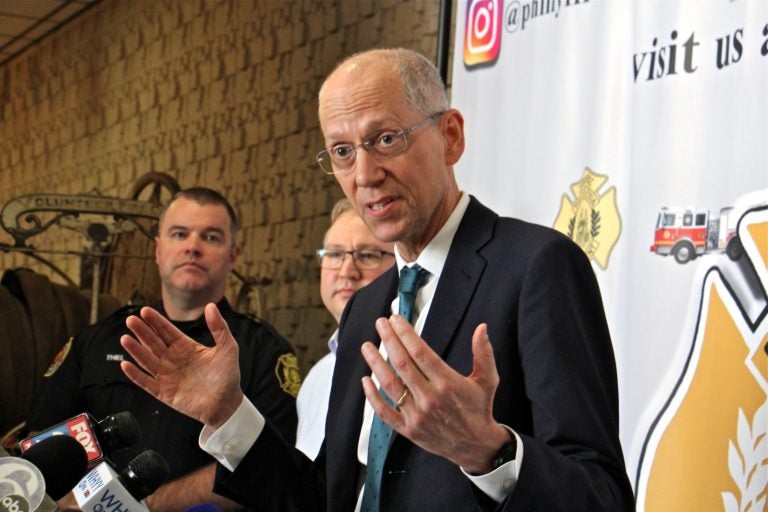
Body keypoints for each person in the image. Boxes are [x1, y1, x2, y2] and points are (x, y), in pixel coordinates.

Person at [119, 48, 635, 511]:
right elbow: (321, 497)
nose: (364, 174)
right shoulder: (367, 306)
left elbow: (602, 495)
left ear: (450, 135)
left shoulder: (537, 266)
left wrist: (489, 450)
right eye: (342, 151)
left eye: (385, 139)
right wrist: (230, 413)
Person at [26, 187, 300, 511]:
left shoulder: (263, 352)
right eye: (179, 233)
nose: (192, 247)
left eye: (210, 237)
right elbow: (39, 442)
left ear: (233, 254)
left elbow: (276, 467)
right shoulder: (97, 340)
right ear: (158, 249)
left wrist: (141, 504)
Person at [295, 198, 395, 459]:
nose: (347, 271)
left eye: (368, 256)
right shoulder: (316, 377)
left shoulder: (407, 368)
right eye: (335, 255)